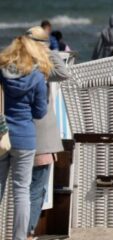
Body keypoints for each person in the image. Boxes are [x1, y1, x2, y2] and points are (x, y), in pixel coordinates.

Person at [0, 28, 52, 240]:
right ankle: (19, 238)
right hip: (25, 137)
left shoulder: (2, 71)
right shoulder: (38, 77)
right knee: (21, 191)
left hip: (2, 135)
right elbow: (40, 112)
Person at [27, 43, 72, 238]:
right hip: (41, 142)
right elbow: (64, 72)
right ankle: (27, 233)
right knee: (36, 190)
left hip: (16, 141)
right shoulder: (41, 74)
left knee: (19, 190)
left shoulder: (10, 72)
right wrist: (50, 51)